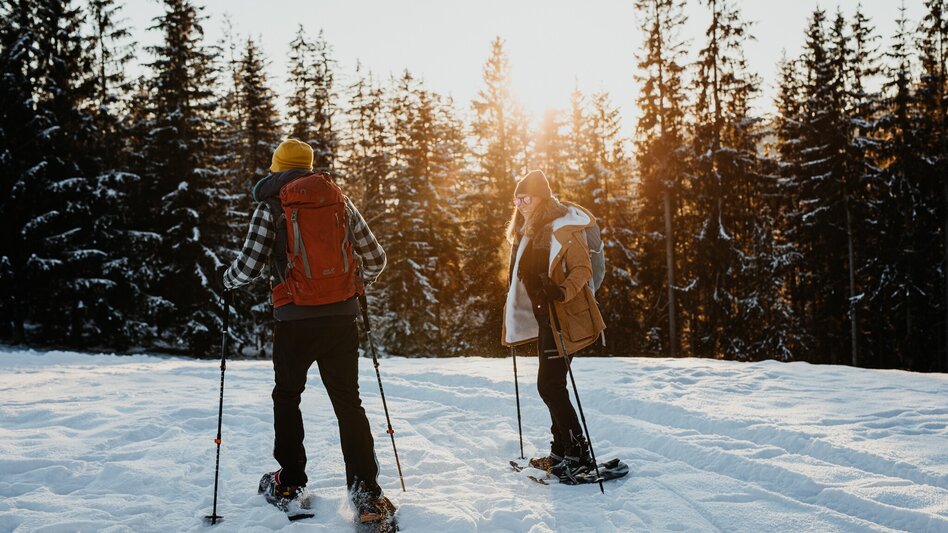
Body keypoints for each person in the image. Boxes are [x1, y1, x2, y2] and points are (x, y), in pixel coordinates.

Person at [222, 138, 396, 527]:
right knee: (348, 403)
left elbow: (248, 267)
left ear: (277, 168)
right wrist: (350, 283)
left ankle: (289, 482)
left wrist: (227, 279)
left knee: (287, 396)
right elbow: (376, 259)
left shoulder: (271, 205)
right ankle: (366, 490)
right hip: (340, 320)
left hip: (294, 320)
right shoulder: (339, 200)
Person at [501, 169, 606, 482]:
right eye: (516, 198)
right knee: (551, 385)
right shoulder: (529, 231)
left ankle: (578, 452)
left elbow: (582, 270)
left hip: (566, 318)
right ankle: (561, 451)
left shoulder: (561, 229)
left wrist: (559, 291)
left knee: (550, 386)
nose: (519, 203)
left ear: (541, 197)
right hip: (546, 318)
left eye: (526, 197)